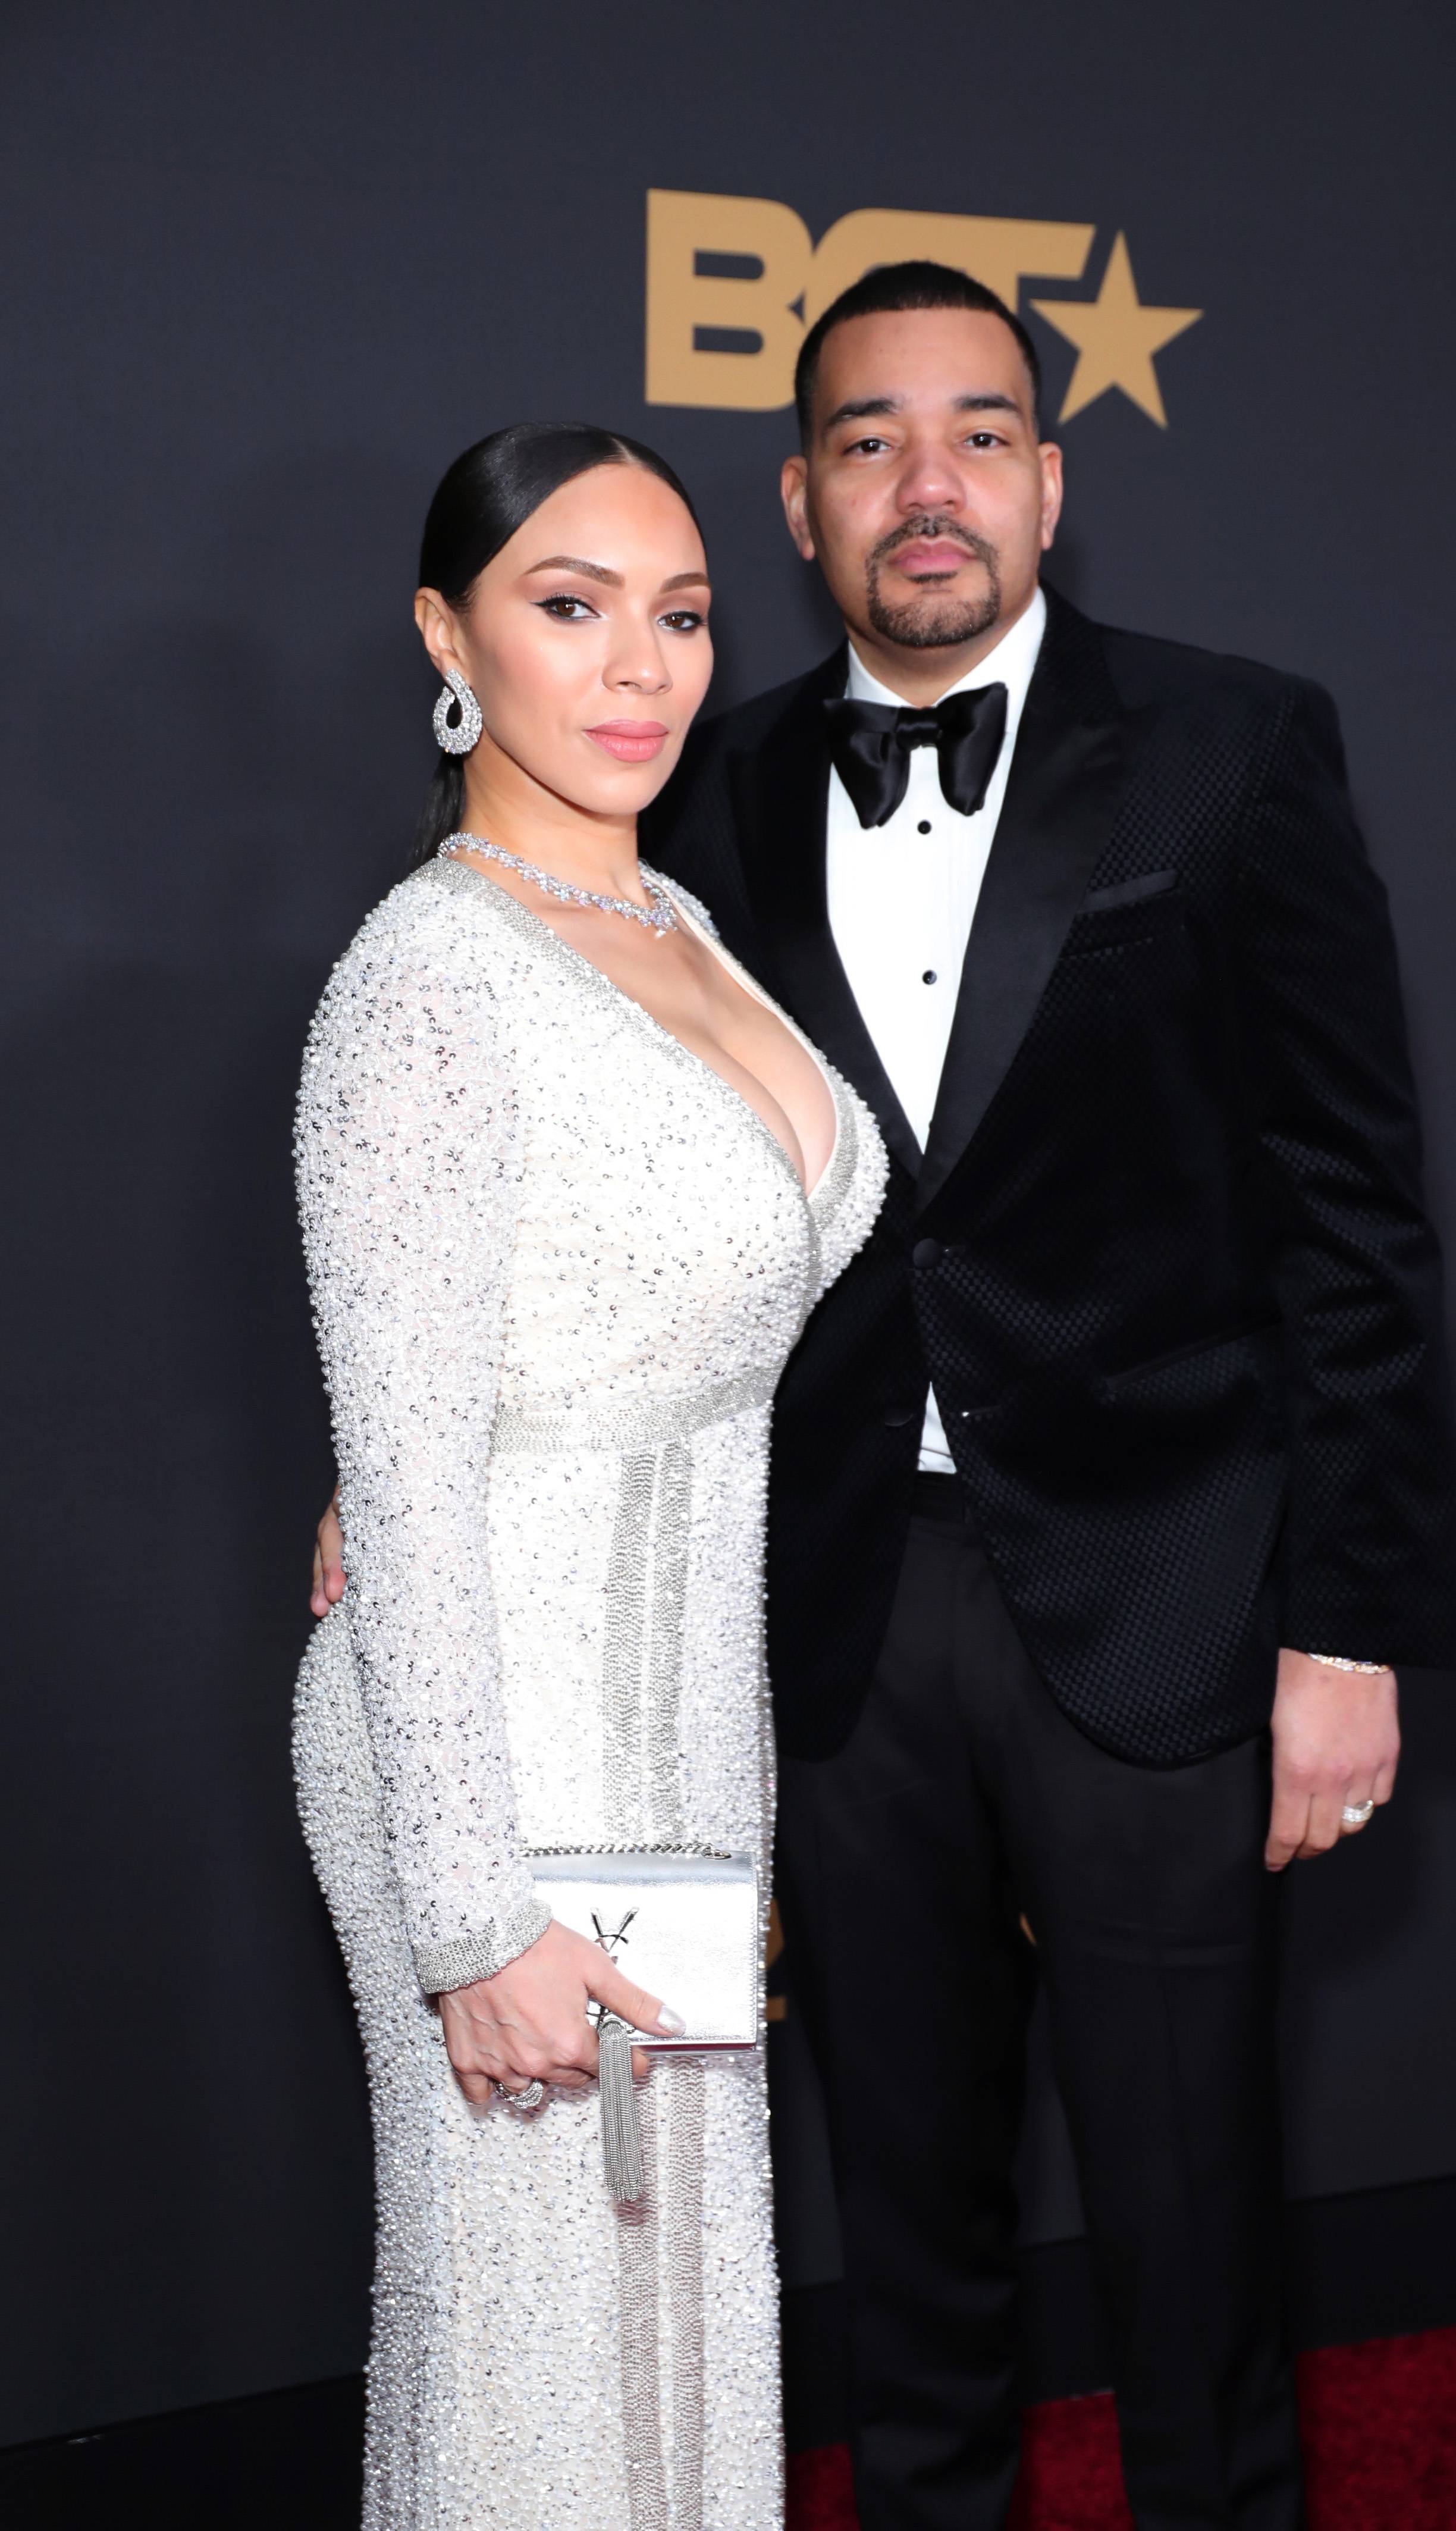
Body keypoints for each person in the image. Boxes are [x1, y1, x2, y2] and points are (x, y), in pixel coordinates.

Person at [317, 265, 1456, 2531]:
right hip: (819, 1622)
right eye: (865, 442)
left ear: (1047, 477)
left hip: (1160, 1600)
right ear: (806, 497)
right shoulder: (696, 788)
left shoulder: (1236, 743)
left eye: (976, 435)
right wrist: (386, 1473)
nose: (924, 486)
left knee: (1187, 2226)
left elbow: (1356, 1214)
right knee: (900, 2235)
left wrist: (1350, 1621)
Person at [293, 421, 884, 2530]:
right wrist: (472, 1917)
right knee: (535, 2344)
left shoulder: (679, 921)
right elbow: (419, 1481)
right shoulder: (428, 986)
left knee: (679, 2309)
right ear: (451, 637)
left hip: (673, 1724)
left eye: (682, 612)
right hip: (492, 1748)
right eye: (570, 605)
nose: (636, 666)